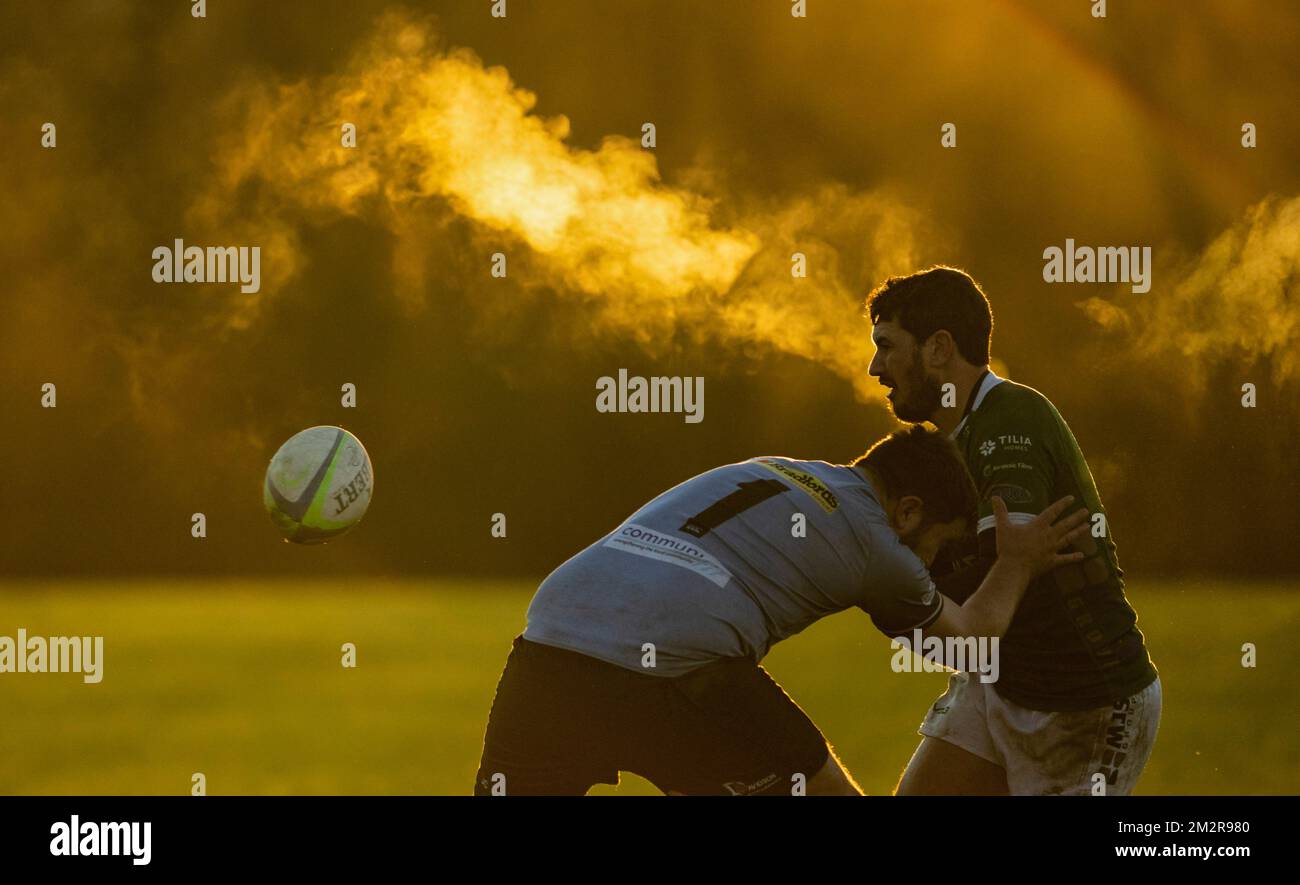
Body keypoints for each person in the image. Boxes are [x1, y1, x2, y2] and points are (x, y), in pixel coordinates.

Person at [474, 426, 1087, 795]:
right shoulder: (878, 545)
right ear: (908, 511)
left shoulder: (777, 468)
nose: (933, 567)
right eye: (940, 546)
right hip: (677, 667)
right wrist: (1018, 563)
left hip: (548, 645)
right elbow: (967, 644)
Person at [866, 265, 1161, 796]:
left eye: (887, 346)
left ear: (937, 348)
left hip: (1084, 701)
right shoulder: (951, 443)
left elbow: (1010, 567)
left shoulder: (1010, 419)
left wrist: (894, 586)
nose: (874, 367)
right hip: (1003, 683)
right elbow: (988, 584)